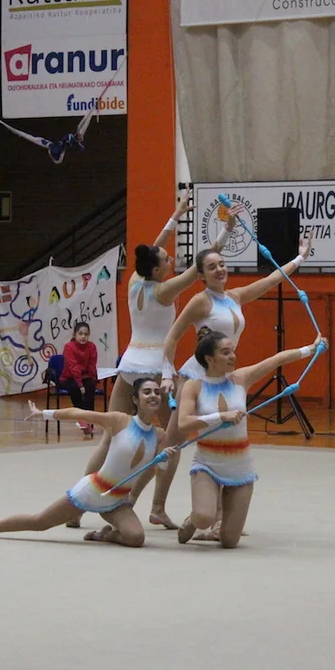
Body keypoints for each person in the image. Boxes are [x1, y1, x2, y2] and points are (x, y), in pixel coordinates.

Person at [67, 189, 241, 529]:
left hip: (128, 366)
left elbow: (151, 248)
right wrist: (227, 230)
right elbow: (204, 264)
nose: (171, 259)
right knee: (171, 441)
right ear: (158, 270)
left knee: (109, 437)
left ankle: (76, 506)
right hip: (153, 371)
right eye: (167, 260)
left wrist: (176, 216)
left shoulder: (135, 281)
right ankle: (157, 506)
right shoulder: (164, 291)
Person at [144, 231, 313, 535]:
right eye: (212, 267)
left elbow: (271, 280)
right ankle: (154, 505)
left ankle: (219, 517)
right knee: (173, 442)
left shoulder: (234, 296)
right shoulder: (200, 301)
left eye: (222, 264)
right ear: (202, 276)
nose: (220, 269)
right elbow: (172, 337)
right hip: (195, 378)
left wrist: (299, 258)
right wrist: (167, 375)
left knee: (222, 437)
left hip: (221, 377)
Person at [0, 378, 178, 548]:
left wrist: (164, 459)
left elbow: (160, 469)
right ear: (135, 399)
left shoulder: (159, 435)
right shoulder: (120, 421)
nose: (153, 396)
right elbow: (78, 413)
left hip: (117, 500)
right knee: (40, 522)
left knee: (136, 538)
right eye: (147, 392)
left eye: (156, 392)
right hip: (92, 491)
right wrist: (44, 413)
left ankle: (104, 536)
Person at [176, 329, 325, 548]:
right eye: (225, 352)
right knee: (204, 517)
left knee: (229, 542)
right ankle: (195, 519)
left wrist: (311, 349)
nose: (232, 356)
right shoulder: (194, 386)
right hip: (207, 464)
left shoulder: (241, 378)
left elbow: (277, 359)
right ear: (209, 358)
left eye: (232, 351)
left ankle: (219, 523)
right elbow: (183, 423)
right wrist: (220, 417)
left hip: (240, 467)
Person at [59, 322, 99, 438]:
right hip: (69, 377)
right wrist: (81, 385)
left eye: (86, 334)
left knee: (90, 386)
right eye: (80, 334)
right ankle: (81, 418)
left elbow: (92, 365)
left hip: (85, 376)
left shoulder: (92, 347)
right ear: (74, 335)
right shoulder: (69, 347)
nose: (83, 337)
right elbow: (73, 368)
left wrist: (92, 380)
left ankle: (88, 419)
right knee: (75, 388)